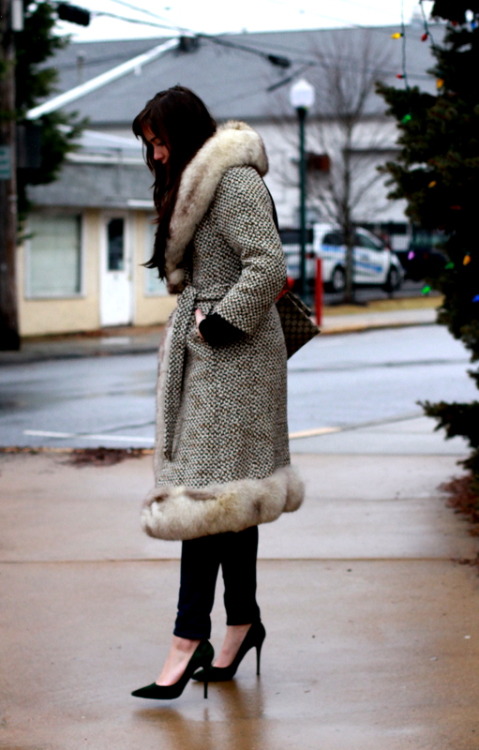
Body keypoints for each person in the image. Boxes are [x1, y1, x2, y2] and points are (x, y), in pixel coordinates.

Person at [130, 86, 304, 701]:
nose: (154, 154)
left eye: (159, 141)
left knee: (204, 503)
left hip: (235, 360)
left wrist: (217, 323)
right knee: (229, 503)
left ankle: (186, 641)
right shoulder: (199, 186)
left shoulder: (231, 181)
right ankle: (241, 624)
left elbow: (267, 264)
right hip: (215, 358)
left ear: (183, 131)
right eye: (148, 144)